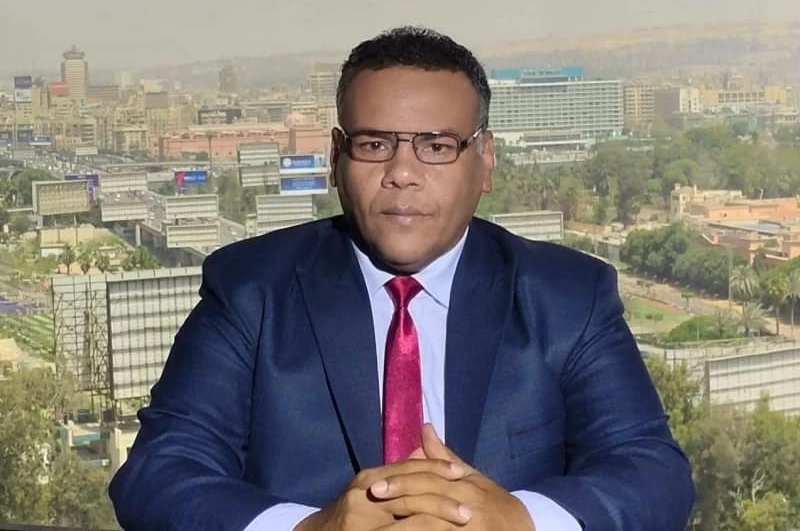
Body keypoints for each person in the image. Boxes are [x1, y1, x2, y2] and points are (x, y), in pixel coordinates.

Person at [110, 26, 694, 530]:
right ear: (336, 158)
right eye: (374, 144)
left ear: (485, 160)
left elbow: (653, 473)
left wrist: (519, 519)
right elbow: (159, 473)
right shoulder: (250, 291)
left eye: (437, 146)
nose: (403, 173)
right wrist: (311, 528)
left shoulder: (569, 296)